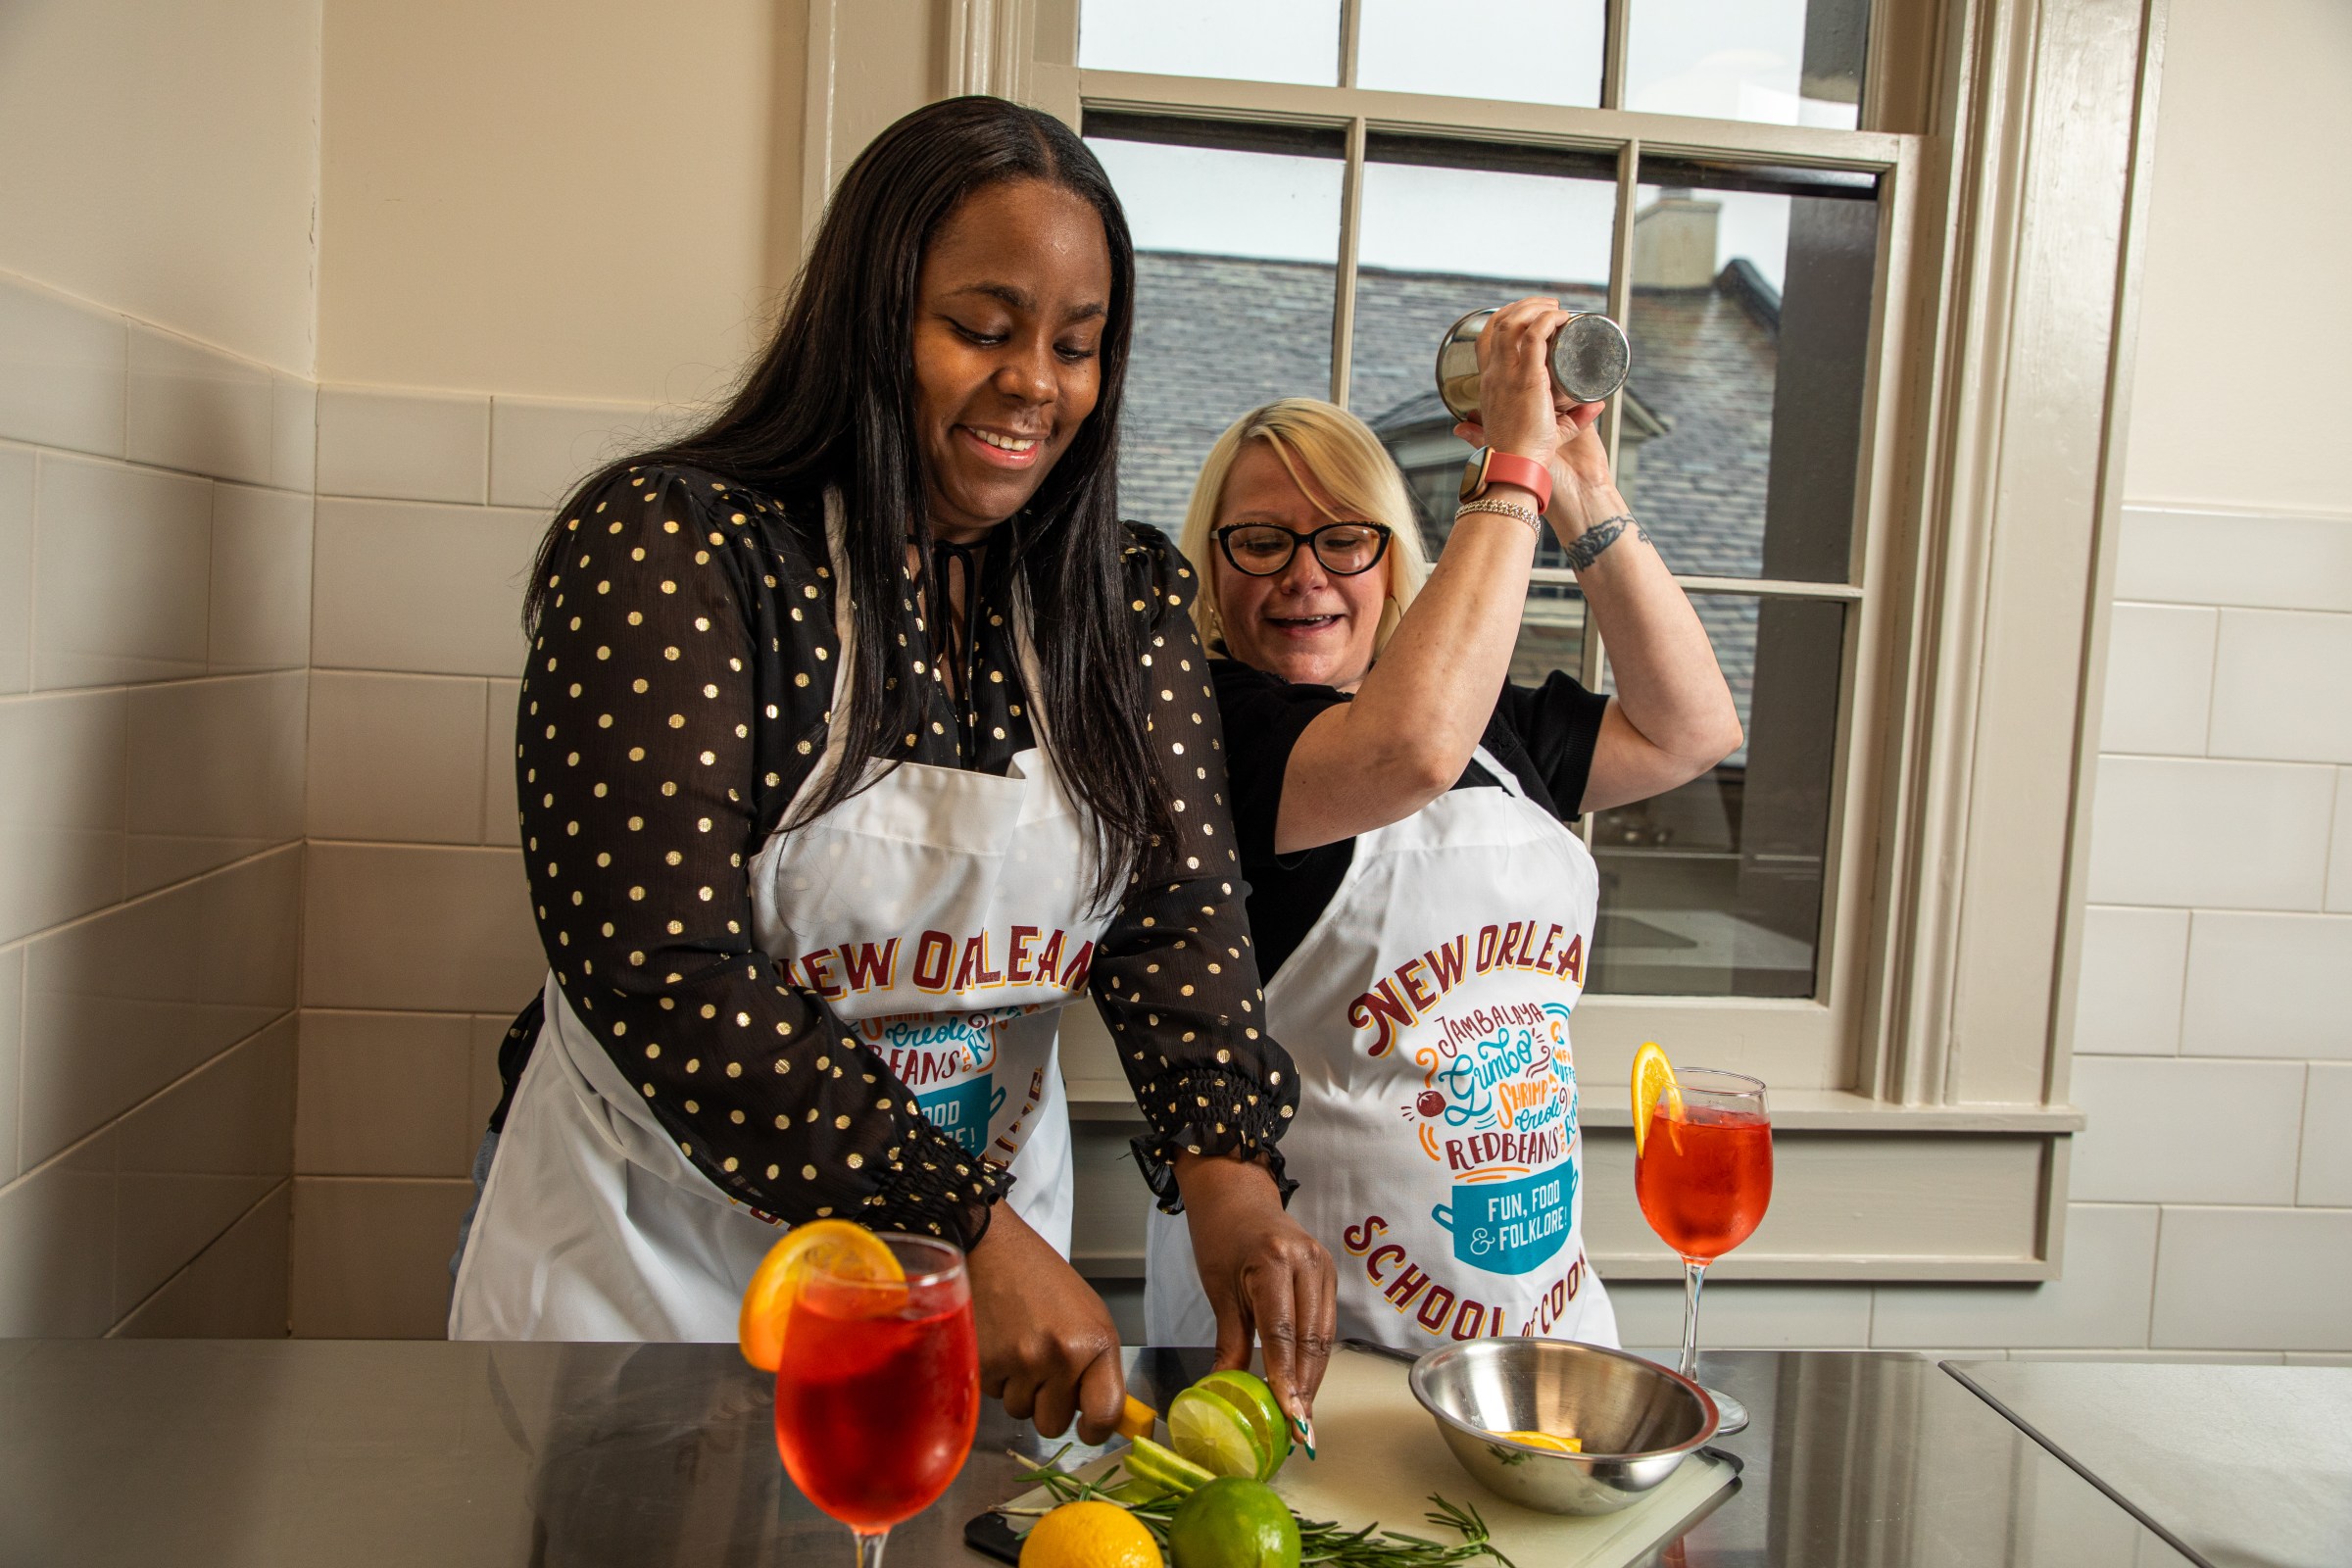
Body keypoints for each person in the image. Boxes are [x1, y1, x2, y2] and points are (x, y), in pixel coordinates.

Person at [450, 96, 1334, 1446]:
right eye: (983, 329)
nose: (1037, 381)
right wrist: (958, 1231)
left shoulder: (1121, 595)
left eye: (1077, 346)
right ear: (871, 319)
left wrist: (1230, 1175)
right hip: (659, 1280)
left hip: (981, 1302)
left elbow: (1175, 912)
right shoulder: (675, 553)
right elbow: (657, 966)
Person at [1146, 299, 1742, 1352]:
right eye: (1259, 541)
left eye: (1344, 538)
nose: (1305, 574)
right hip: (1315, 1346)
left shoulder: (1490, 724)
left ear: (1393, 556)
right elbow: (1401, 753)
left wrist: (1579, 479)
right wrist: (1510, 461)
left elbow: (1693, 727)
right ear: (1211, 561)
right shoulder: (1207, 730)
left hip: (1539, 1334)